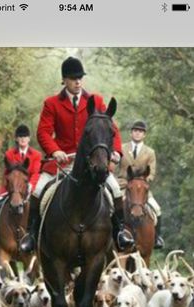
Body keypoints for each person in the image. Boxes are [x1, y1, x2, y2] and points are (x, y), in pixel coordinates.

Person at [20, 56, 134, 253]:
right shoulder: (52, 103)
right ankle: (31, 235)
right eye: (73, 78)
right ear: (64, 80)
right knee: (37, 191)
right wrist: (55, 150)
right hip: (61, 163)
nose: (78, 82)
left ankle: (120, 232)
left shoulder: (95, 100)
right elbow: (43, 132)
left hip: (91, 163)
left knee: (115, 189)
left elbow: (110, 127)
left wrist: (115, 151)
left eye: (80, 77)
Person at [0, 124, 42, 245]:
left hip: (28, 187)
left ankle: (37, 234)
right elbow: (7, 174)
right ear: (16, 139)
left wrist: (31, 186)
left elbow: (35, 173)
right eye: (20, 137)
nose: (23, 139)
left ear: (29, 139)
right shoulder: (9, 154)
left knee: (38, 204)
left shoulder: (36, 155)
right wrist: (6, 190)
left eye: (25, 137)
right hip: (12, 188)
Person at [117, 120, 164, 249]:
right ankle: (116, 233)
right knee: (112, 206)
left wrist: (142, 182)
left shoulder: (150, 152)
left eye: (140, 132)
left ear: (144, 135)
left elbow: (152, 173)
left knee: (157, 208)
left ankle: (157, 238)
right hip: (123, 185)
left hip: (141, 188)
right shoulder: (121, 148)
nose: (138, 133)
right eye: (135, 131)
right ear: (131, 133)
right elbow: (115, 166)